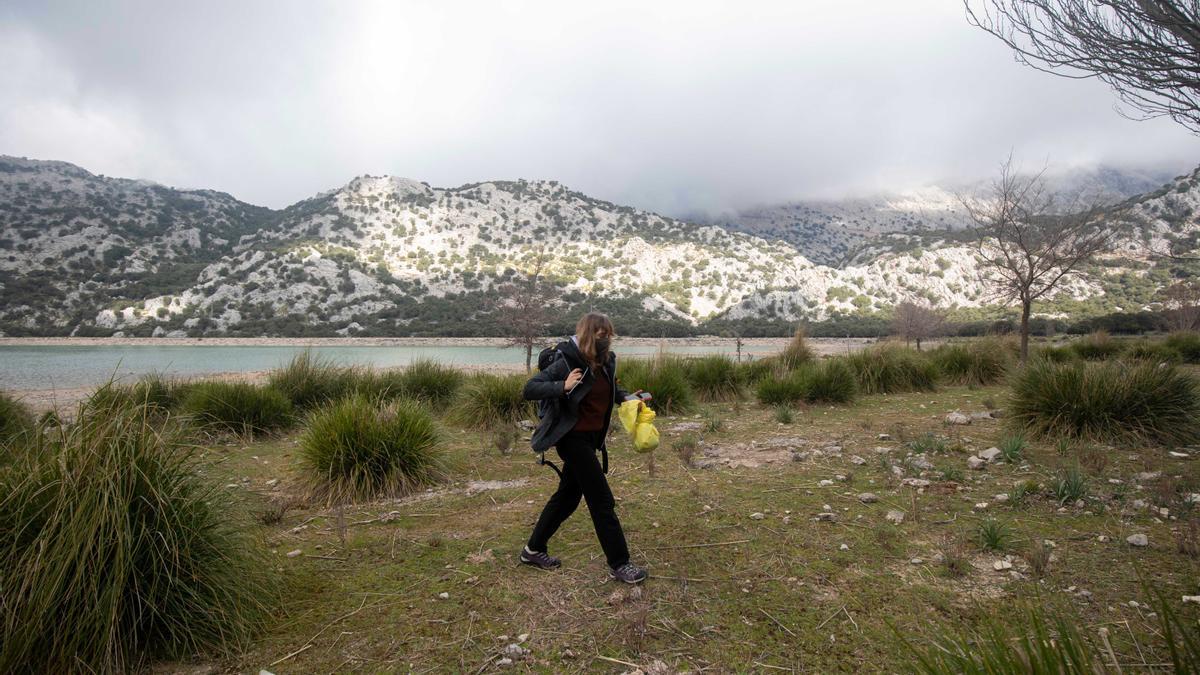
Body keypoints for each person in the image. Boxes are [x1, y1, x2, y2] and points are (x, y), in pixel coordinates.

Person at [519, 312, 649, 584]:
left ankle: (533, 549)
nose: (607, 340)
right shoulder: (566, 359)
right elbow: (530, 388)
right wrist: (562, 386)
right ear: (589, 334)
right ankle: (620, 563)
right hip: (571, 439)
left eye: (610, 335)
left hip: (591, 439)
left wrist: (629, 398)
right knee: (601, 501)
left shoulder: (607, 361)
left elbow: (611, 389)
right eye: (602, 335)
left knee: (567, 497)